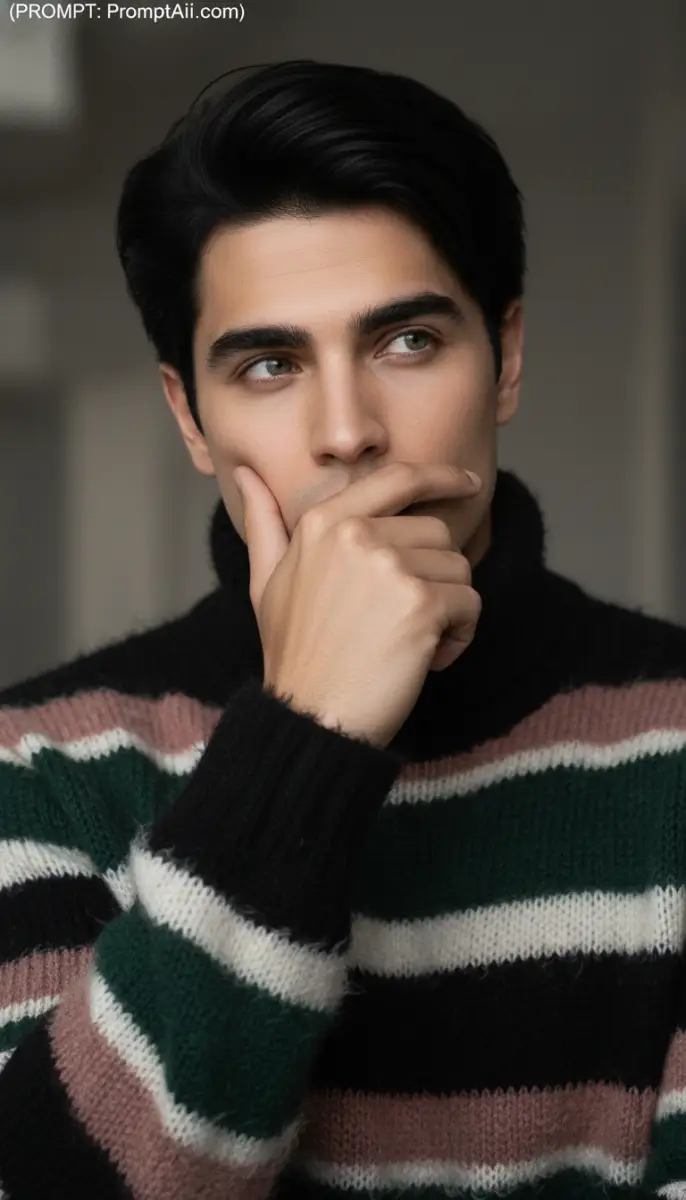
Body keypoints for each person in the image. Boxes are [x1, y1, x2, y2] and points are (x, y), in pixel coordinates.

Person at [0, 56, 685, 1200]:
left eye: (405, 341)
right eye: (270, 364)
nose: (347, 431)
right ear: (191, 419)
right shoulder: (38, 767)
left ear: (504, 358)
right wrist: (303, 735)